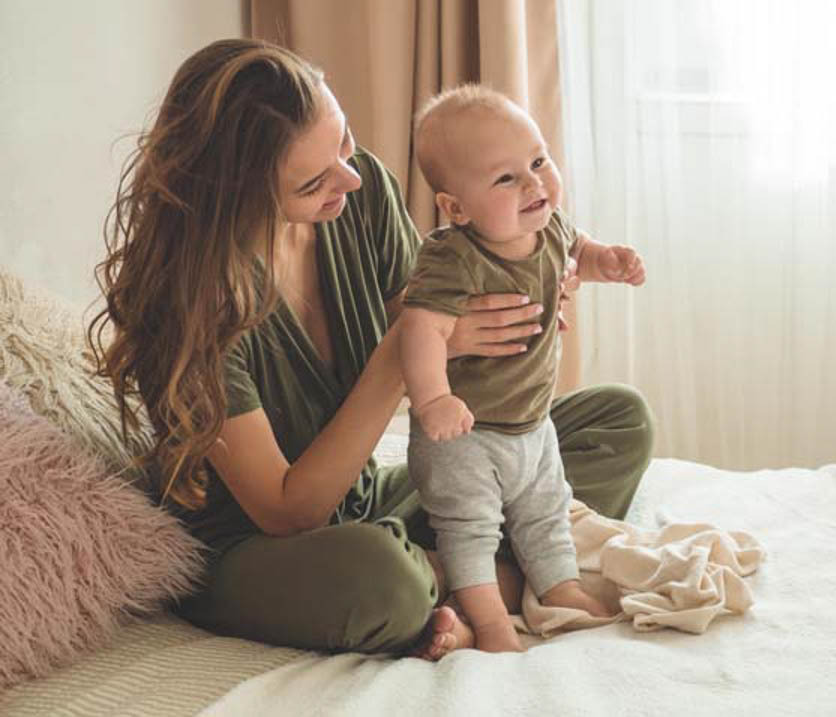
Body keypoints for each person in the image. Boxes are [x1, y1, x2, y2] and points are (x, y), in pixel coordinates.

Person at [89, 38, 654, 661]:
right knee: (380, 579)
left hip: (366, 498)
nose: (351, 177)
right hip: (262, 549)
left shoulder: (361, 195)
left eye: (344, 141)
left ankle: (464, 584)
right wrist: (399, 353)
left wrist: (518, 313)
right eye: (314, 181)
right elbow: (288, 511)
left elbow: (440, 333)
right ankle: (481, 581)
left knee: (616, 420)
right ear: (237, 193)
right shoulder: (186, 307)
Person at [401, 86, 646, 652]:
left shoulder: (549, 227)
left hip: (532, 425)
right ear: (456, 208)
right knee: (469, 529)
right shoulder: (451, 257)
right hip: (465, 436)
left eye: (538, 161)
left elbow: (578, 250)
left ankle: (559, 587)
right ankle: (488, 622)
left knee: (547, 510)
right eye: (506, 179)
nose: (535, 185)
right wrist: (434, 398)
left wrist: (606, 262)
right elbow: (420, 328)